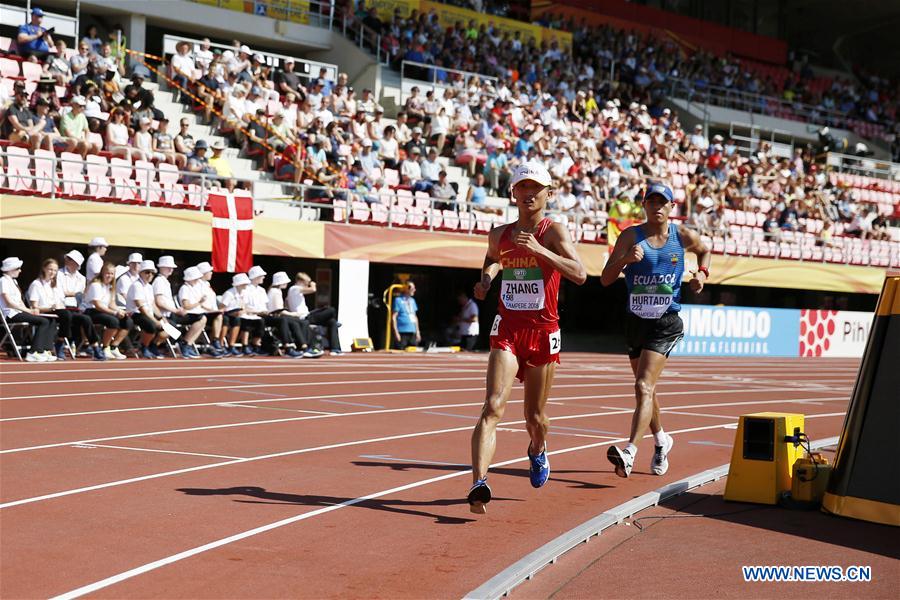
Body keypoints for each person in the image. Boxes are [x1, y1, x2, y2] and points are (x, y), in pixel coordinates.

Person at [467, 161, 586, 514]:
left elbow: (580, 274)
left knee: (534, 417)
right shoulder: (498, 234)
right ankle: (478, 483)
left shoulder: (554, 231)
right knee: (492, 407)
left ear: (548, 193)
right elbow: (492, 259)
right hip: (507, 329)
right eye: (522, 187)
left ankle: (537, 449)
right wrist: (487, 281)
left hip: (543, 331)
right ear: (513, 193)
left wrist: (539, 250)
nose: (529, 193)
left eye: (536, 187)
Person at [601, 183, 711, 478]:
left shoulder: (683, 236)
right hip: (635, 320)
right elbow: (605, 279)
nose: (657, 207)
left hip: (666, 322)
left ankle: (630, 452)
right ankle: (662, 440)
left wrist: (701, 275)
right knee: (646, 389)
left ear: (671, 207)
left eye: (663, 202)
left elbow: (705, 250)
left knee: (642, 387)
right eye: (652, 202)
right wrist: (625, 260)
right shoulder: (630, 236)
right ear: (644, 206)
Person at [1, 257, 57, 362]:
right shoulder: (3, 280)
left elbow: (20, 301)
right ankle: (34, 352)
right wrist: (28, 311)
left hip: (19, 312)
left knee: (51, 320)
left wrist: (30, 310)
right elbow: (9, 303)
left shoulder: (14, 282)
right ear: (10, 269)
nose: (20, 271)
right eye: (18, 269)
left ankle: (45, 350)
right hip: (11, 314)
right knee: (43, 321)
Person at [81, 262, 131, 360]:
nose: (110, 276)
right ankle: (105, 347)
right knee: (113, 321)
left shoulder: (110, 287)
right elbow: (98, 305)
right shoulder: (95, 285)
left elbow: (111, 303)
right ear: (102, 273)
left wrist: (120, 311)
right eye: (107, 273)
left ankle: (114, 346)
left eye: (112, 274)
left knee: (127, 320)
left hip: (103, 311)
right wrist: (114, 313)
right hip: (90, 311)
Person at [286, 272, 342, 355]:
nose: (307, 285)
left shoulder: (296, 290)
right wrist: (312, 283)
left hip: (308, 314)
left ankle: (335, 348)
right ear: (300, 281)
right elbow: (313, 289)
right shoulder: (294, 288)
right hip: (304, 316)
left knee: (332, 322)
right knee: (331, 310)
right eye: (306, 283)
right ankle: (334, 321)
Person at [266, 271, 318, 358]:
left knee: (300, 322)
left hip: (279, 315)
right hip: (274, 316)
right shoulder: (275, 292)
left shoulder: (277, 291)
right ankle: (294, 347)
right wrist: (293, 314)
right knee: (294, 321)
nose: (287, 283)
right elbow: (277, 310)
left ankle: (304, 346)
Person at [126, 260, 169, 359]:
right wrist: (155, 321)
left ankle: (152, 346)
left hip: (147, 314)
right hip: (135, 314)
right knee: (151, 325)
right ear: (141, 273)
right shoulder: (136, 285)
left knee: (171, 329)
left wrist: (161, 317)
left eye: (152, 273)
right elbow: (141, 308)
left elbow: (152, 305)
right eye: (147, 272)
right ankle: (144, 347)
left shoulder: (149, 287)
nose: (150, 275)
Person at [175, 267, 211, 358]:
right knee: (201, 318)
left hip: (193, 314)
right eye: (196, 279)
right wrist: (199, 302)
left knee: (203, 318)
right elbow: (186, 306)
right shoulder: (185, 288)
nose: (198, 280)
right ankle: (185, 343)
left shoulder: (194, 288)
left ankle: (187, 344)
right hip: (183, 315)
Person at [195, 261, 226, 354]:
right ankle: (215, 341)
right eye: (209, 271)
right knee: (219, 316)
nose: (211, 273)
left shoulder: (207, 284)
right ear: (203, 273)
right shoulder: (197, 285)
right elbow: (198, 302)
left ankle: (216, 344)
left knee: (226, 318)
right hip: (202, 312)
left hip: (211, 312)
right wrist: (212, 310)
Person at [221, 273, 250, 356]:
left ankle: (231, 345)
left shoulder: (244, 293)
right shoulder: (229, 293)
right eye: (244, 283)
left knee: (242, 321)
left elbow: (244, 306)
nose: (246, 285)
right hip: (227, 314)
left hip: (238, 314)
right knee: (227, 320)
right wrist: (233, 313)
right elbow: (222, 308)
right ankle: (221, 344)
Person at [391, 281, 420, 350]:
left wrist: (417, 331)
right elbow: (394, 317)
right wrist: (396, 332)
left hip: (412, 331)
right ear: (406, 288)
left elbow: (415, 316)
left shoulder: (412, 301)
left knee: (413, 353)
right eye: (411, 288)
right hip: (402, 332)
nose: (414, 290)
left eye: (414, 288)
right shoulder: (398, 300)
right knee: (400, 353)